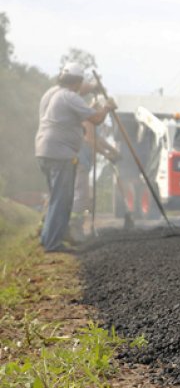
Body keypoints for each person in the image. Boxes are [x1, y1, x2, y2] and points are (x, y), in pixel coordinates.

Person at [35, 62, 115, 252]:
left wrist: (95, 87)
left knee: (56, 197)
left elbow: (81, 90)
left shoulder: (52, 92)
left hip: (44, 150)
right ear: (77, 82)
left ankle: (48, 237)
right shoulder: (69, 97)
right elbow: (96, 119)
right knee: (62, 199)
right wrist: (107, 107)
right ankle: (53, 244)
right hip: (61, 154)